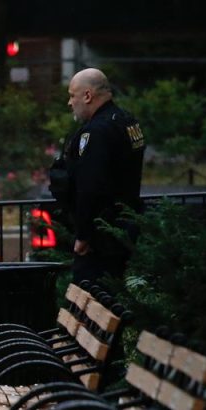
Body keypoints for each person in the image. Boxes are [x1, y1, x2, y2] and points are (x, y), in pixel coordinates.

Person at [58, 67, 145, 284]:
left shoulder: (96, 132)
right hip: (124, 226)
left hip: (102, 236)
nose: (70, 103)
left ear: (87, 96)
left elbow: (90, 187)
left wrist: (83, 236)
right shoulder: (127, 121)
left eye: (72, 96)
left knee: (91, 296)